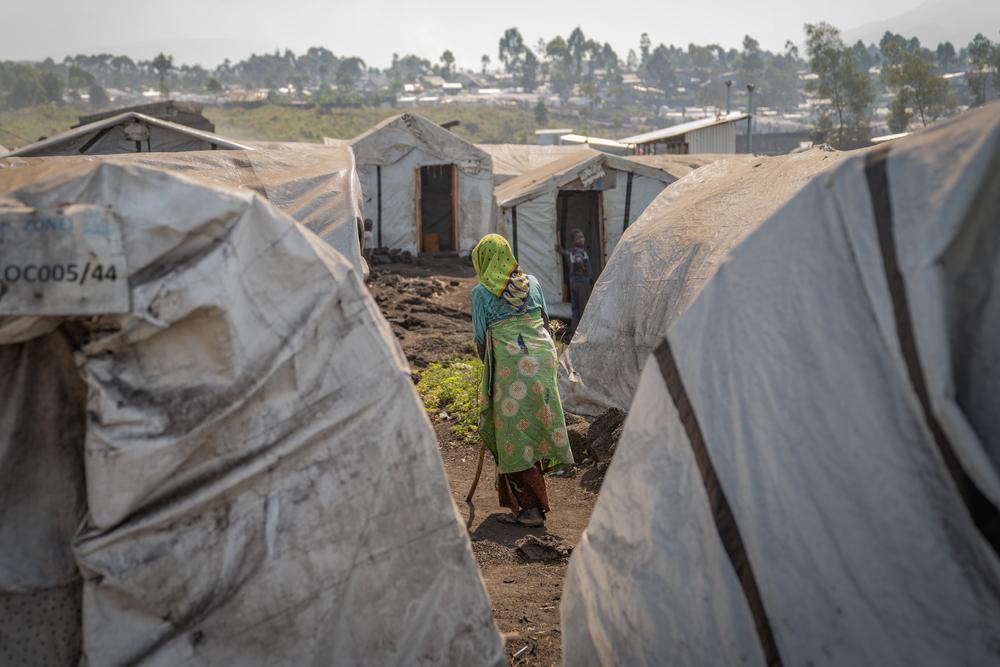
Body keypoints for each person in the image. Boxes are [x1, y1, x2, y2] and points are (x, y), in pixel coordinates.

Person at [471, 234, 574, 527]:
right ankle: (531, 504)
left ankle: (530, 510)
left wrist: (494, 371)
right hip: (542, 359)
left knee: (515, 435)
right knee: (536, 423)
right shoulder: (533, 282)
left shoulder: (481, 293)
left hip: (512, 366)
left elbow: (481, 340)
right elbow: (543, 322)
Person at [554, 229, 593, 334]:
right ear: (574, 241)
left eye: (582, 237)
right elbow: (578, 259)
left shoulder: (572, 251)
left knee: (575, 309)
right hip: (582, 283)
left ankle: (574, 332)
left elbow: (567, 253)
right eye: (579, 238)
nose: (582, 239)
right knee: (583, 308)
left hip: (573, 283)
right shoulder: (580, 252)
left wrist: (560, 250)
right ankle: (585, 332)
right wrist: (581, 267)